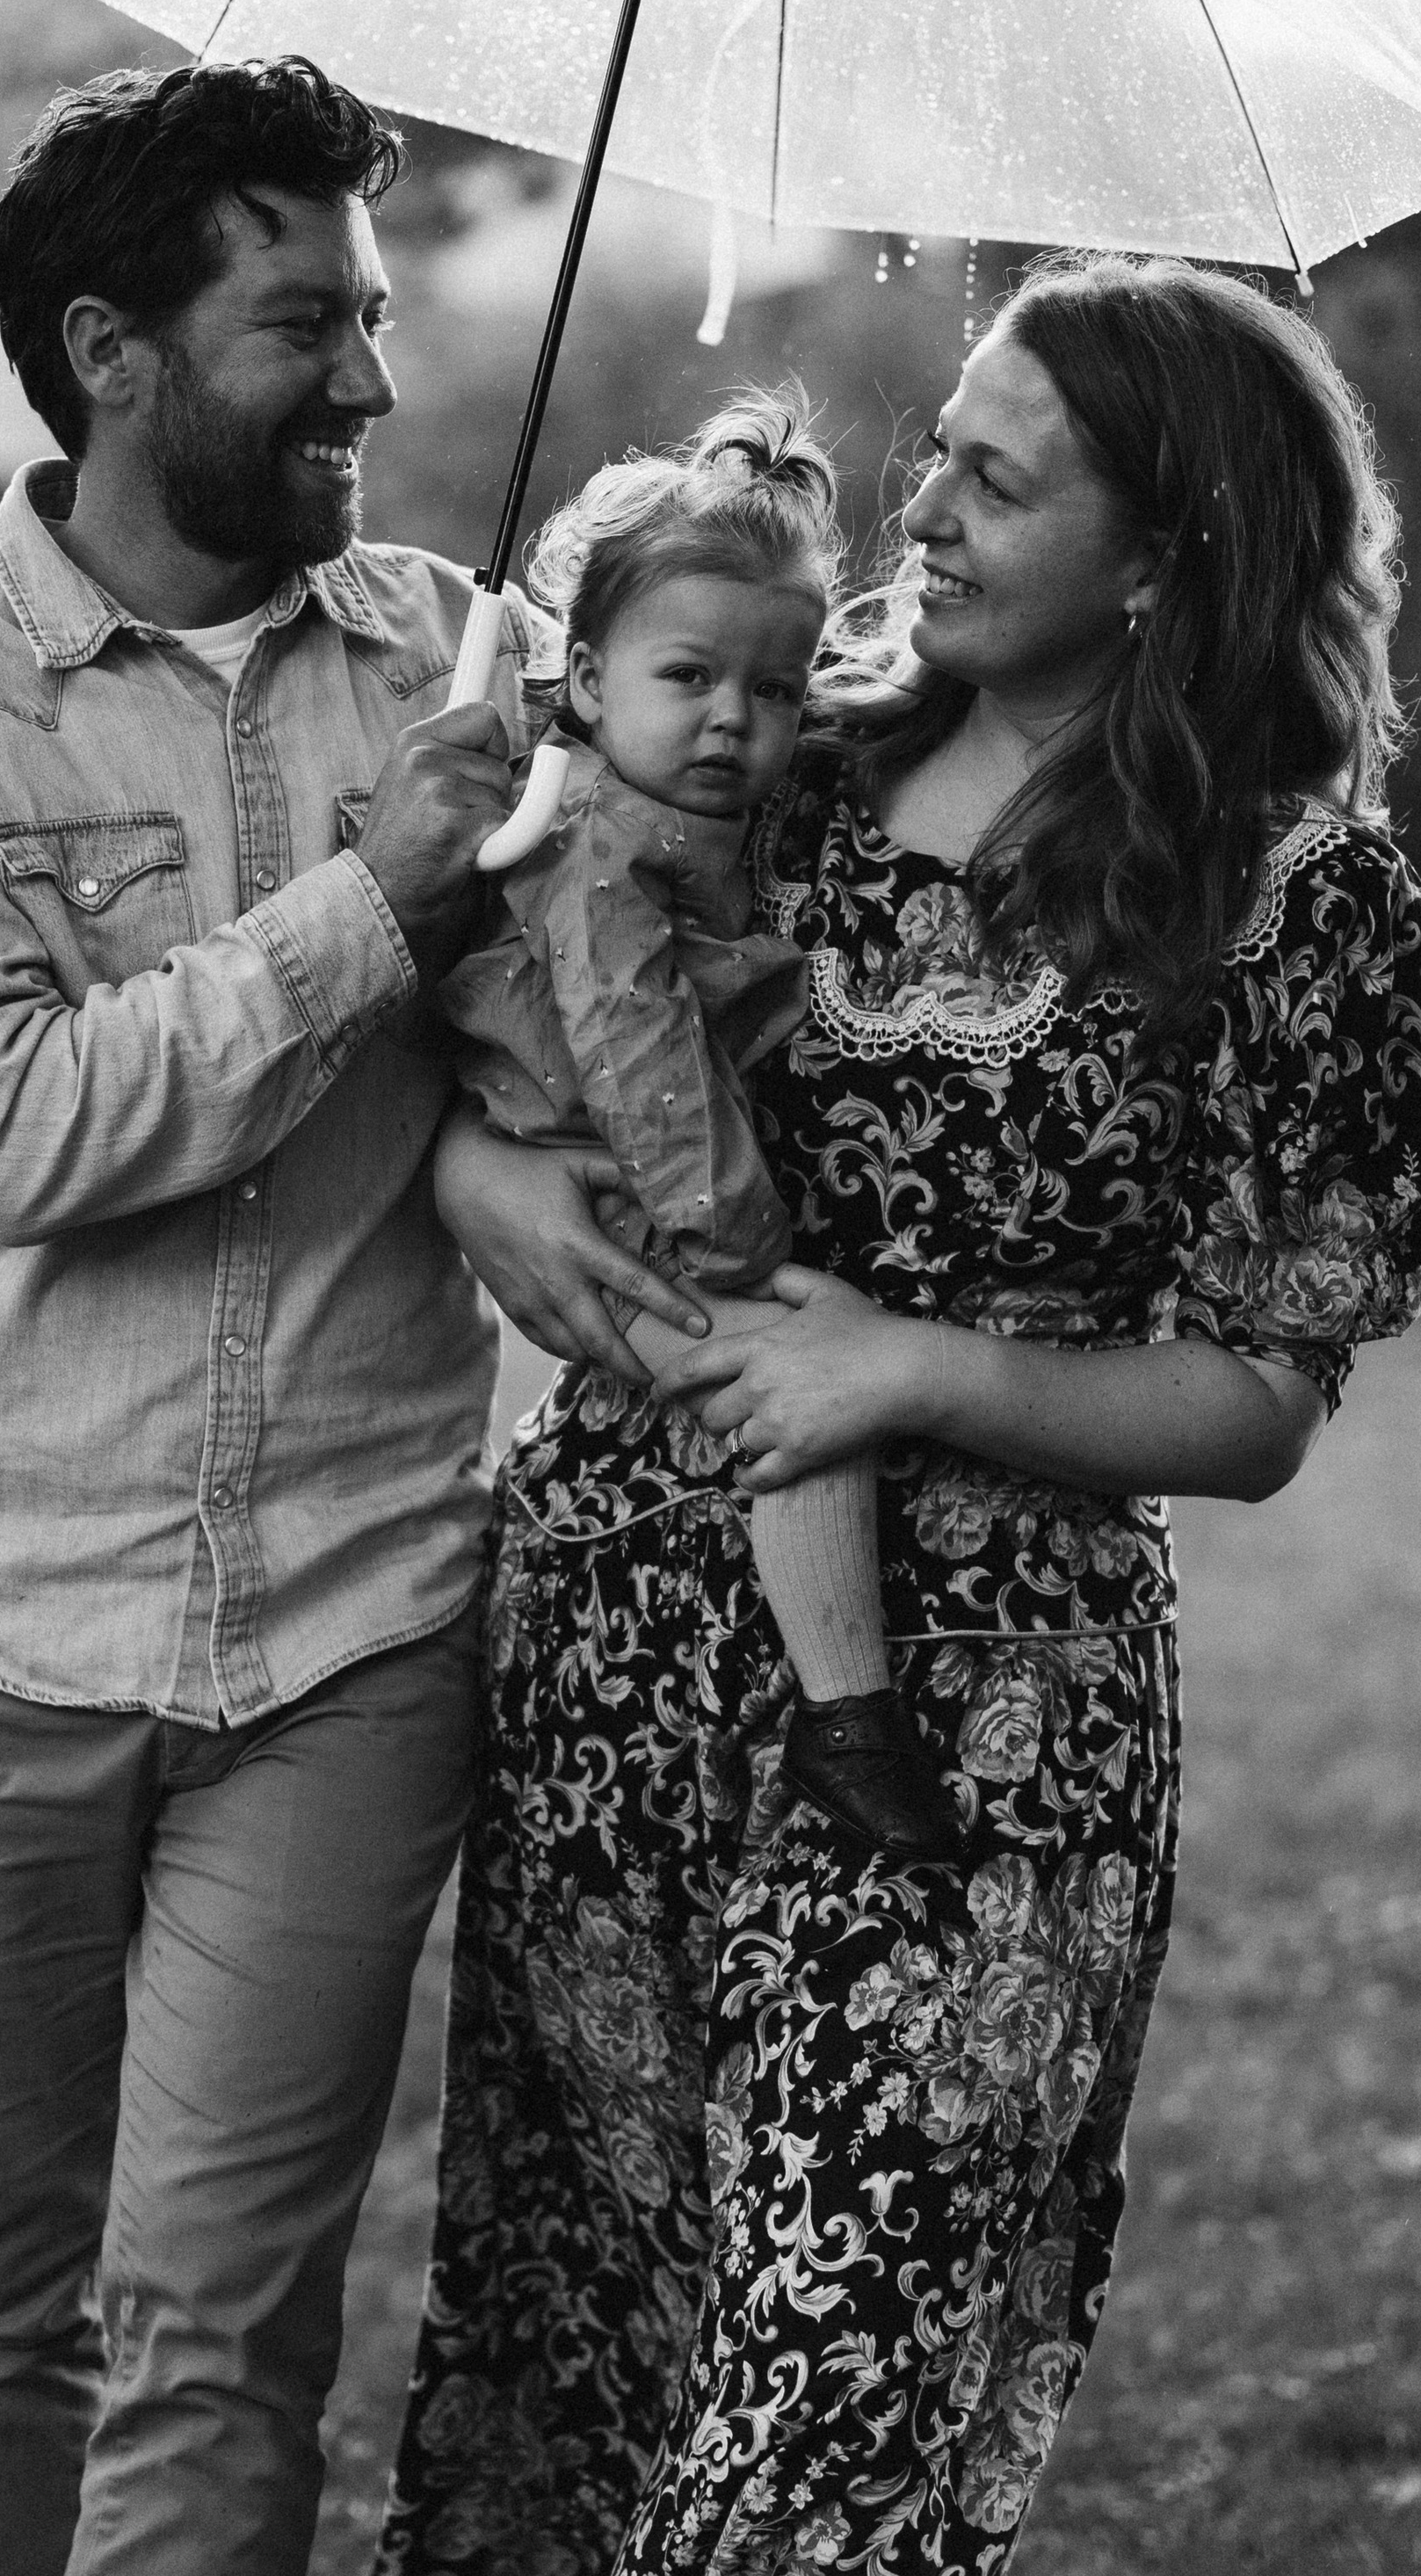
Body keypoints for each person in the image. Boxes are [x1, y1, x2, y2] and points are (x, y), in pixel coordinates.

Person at [380, 256, 1421, 2576]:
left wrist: (917, 1366)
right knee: (590, 2340)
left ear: (1171, 541)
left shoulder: (1293, 899)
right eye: (943, 453)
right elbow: (516, 989)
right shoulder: (783, 750)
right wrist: (477, 1164)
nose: (936, 504)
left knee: (832, 2392)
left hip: (984, 1727)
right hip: (623, 1664)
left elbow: (1263, 1395)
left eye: (1004, 474)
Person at [0, 54, 689, 2576]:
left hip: (356, 1624)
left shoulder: (459, 661)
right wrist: (378, 908)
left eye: (379, 318)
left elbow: (580, 1066)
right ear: (113, 350)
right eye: (311, 324)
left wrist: (515, 1058)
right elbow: (19, 1133)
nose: (380, 385)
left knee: (223, 2333)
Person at [440, 386, 957, 1859]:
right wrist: (734, 1238)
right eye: (691, 677)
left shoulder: (697, 814)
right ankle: (847, 1713)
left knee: (793, 1387)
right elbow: (640, 1046)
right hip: (608, 1189)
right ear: (589, 678)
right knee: (796, 1389)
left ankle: (835, 1704)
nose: (736, 720)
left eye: (778, 690)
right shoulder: (600, 839)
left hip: (628, 1174)